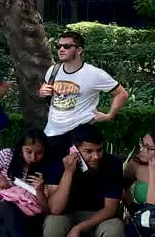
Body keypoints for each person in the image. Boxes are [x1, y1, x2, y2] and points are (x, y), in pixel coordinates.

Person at [39, 31, 129, 159]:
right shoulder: (53, 70)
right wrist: (42, 92)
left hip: (79, 134)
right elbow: (44, 90)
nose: (61, 49)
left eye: (67, 46)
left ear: (79, 50)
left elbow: (121, 93)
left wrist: (110, 115)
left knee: (78, 174)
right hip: (52, 131)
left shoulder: (94, 74)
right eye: (59, 46)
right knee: (55, 174)